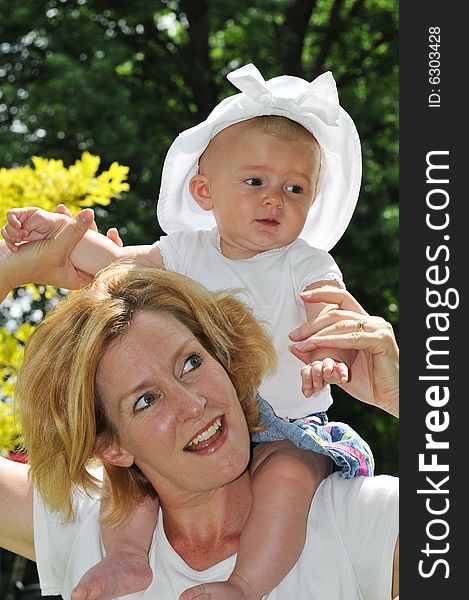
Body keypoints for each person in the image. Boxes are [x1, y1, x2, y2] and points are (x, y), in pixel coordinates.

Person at [1, 63, 373, 600]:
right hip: (191, 445)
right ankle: (127, 556)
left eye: (296, 189)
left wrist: (330, 354)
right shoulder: (185, 252)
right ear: (203, 191)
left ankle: (244, 584)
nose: (275, 199)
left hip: (287, 425)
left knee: (287, 480)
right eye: (255, 182)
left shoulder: (305, 263)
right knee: (133, 485)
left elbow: (330, 319)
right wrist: (55, 237)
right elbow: (116, 264)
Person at [0, 226, 399, 600]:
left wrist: (403, 399)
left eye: (191, 363)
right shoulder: (85, 529)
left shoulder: (353, 519)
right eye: (146, 400)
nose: (193, 405)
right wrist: (10, 268)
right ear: (112, 447)